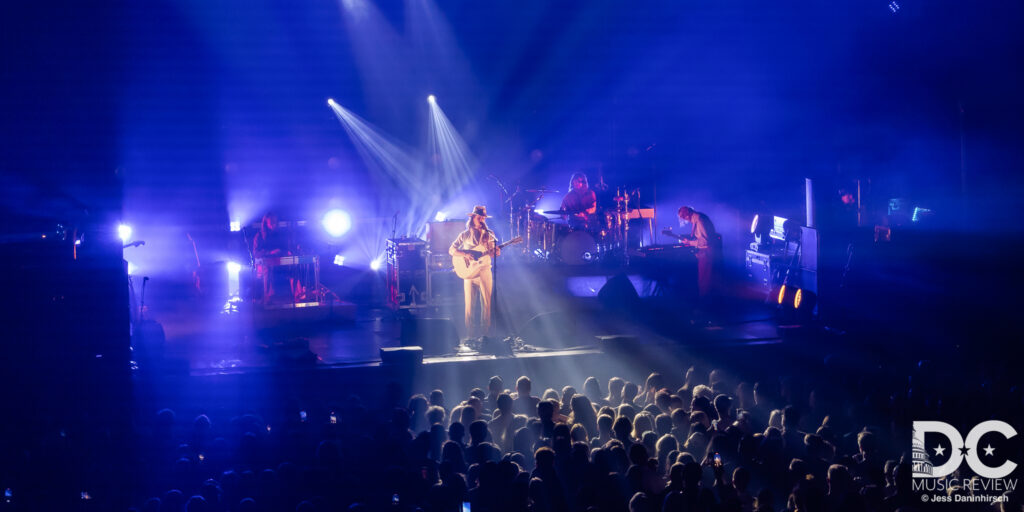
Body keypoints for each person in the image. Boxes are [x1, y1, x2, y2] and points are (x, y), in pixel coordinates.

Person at [449, 206, 501, 337]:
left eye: (483, 217)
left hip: (484, 270)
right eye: (479, 217)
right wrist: (464, 254)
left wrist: (496, 251)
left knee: (487, 304)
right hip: (469, 273)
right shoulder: (464, 235)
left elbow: (494, 253)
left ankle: (485, 335)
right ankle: (470, 335)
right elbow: (451, 250)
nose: (482, 219)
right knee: (469, 306)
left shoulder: (489, 234)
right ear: (473, 217)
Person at [677, 206, 721, 302]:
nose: (685, 220)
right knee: (705, 279)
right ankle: (706, 302)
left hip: (707, 252)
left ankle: (705, 304)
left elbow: (705, 241)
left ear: (687, 215)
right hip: (706, 252)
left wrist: (690, 243)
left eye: (684, 218)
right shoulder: (698, 218)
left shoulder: (700, 221)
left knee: (704, 280)